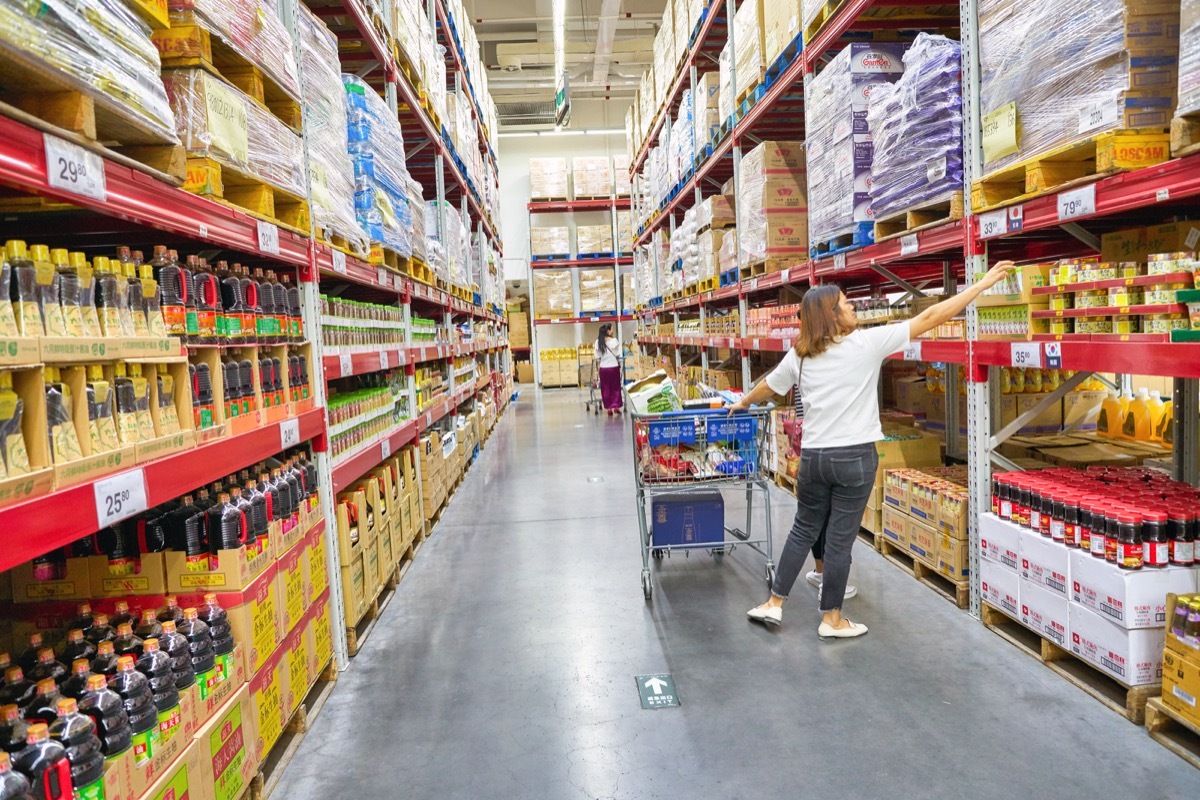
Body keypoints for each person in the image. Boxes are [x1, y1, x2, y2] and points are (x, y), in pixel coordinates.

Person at [731, 261, 1015, 638]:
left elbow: (770, 386)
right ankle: (831, 619)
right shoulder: (866, 344)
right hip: (854, 459)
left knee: (803, 528)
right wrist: (980, 285)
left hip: (814, 458)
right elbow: (931, 317)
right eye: (846, 303)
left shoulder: (800, 355)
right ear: (832, 316)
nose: (853, 307)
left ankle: (774, 603)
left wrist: (743, 402)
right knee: (839, 539)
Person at [595, 323, 623, 417]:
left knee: (606, 388)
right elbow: (618, 354)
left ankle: (609, 408)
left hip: (603, 369)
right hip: (614, 367)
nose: (612, 331)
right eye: (611, 329)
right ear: (608, 331)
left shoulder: (598, 342)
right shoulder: (614, 341)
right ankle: (616, 407)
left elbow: (597, 355)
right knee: (615, 388)